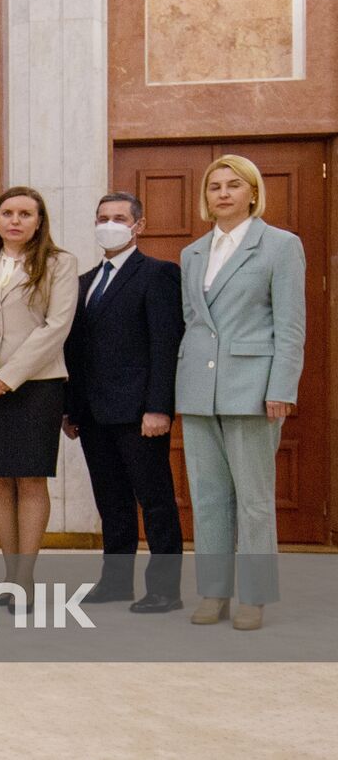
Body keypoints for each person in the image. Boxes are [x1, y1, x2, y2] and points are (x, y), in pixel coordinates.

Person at [176, 155, 304, 631]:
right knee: (207, 496)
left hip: (253, 387)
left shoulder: (280, 246)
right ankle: (214, 593)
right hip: (197, 388)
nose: (223, 193)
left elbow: (290, 326)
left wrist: (282, 388)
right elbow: (194, 323)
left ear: (253, 192)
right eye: (214, 186)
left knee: (253, 499)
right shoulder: (192, 253)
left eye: (234, 185)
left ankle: (254, 595)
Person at [0, 187, 77, 606]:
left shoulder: (60, 264)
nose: (15, 220)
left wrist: (9, 377)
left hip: (35, 387)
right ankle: (8, 575)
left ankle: (25, 579)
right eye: (7, 212)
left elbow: (56, 327)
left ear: (39, 221)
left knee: (29, 478)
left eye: (26, 213)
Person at [63, 193, 185, 613]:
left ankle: (165, 589)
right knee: (111, 501)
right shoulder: (84, 281)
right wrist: (71, 409)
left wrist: (159, 407)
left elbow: (165, 345)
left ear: (139, 225)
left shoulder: (159, 275)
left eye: (118, 218)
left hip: (140, 412)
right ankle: (115, 582)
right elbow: (76, 350)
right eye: (102, 218)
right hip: (94, 413)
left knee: (155, 500)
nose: (109, 224)